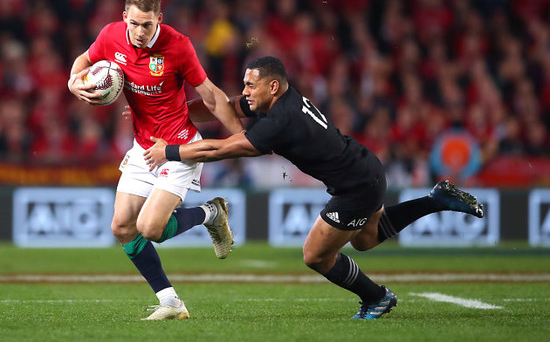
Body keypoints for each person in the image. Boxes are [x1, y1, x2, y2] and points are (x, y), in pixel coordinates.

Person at [144, 56, 484, 320]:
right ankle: (434, 200)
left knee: (315, 255)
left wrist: (168, 151)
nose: (245, 91)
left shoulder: (281, 122)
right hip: (364, 170)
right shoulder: (277, 102)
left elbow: (220, 149)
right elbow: (228, 106)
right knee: (366, 239)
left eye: (251, 85)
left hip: (356, 187)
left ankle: (377, 297)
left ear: (273, 87)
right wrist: (175, 116)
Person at [67, 0, 244, 320]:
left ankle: (211, 213)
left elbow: (210, 96)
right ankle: (171, 303)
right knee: (121, 227)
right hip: (143, 147)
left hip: (178, 147)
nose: (138, 31)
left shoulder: (178, 46)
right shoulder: (111, 36)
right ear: (124, 18)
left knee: (150, 229)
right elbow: (83, 61)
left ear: (159, 19)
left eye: (146, 25)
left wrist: (243, 138)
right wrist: (73, 80)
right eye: (133, 23)